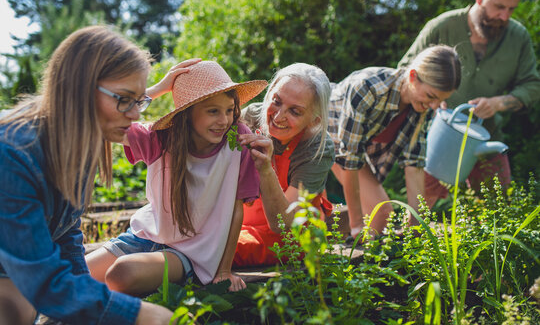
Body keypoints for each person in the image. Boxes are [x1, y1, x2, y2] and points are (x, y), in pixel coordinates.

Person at [0, 26, 176, 324]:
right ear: (78, 89)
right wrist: (138, 314)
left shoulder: (79, 142)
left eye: (139, 100)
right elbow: (44, 283)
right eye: (123, 98)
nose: (135, 114)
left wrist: (84, 303)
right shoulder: (13, 154)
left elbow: (65, 232)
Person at [86, 60, 268, 294]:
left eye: (229, 110)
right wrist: (158, 89)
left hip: (191, 254)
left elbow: (236, 209)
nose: (224, 120)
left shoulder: (238, 139)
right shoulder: (160, 138)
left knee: (122, 274)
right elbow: (98, 119)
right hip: (144, 236)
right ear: (187, 112)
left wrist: (223, 270)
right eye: (213, 111)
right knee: (69, 276)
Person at [398, 0, 540, 204]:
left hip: (485, 137)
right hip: (433, 135)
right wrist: (430, 98)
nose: (504, 16)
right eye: (499, 7)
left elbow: (533, 85)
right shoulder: (442, 27)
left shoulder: (518, 37)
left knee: (498, 207)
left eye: (511, 9)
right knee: (421, 207)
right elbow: (404, 72)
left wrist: (498, 103)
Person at [329, 45, 461, 238]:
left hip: (352, 151)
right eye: (431, 96)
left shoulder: (421, 108)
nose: (433, 106)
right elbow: (350, 158)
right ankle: (357, 257)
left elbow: (414, 166)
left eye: (439, 100)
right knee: (381, 213)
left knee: (382, 218)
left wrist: (416, 229)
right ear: (414, 76)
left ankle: (369, 261)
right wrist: (356, 225)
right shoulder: (368, 88)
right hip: (323, 132)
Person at [233, 63, 335, 267]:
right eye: (276, 102)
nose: (278, 117)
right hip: (239, 225)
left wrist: (265, 170)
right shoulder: (250, 118)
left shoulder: (316, 149)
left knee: (214, 249)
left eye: (295, 112)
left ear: (314, 121)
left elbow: (284, 224)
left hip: (289, 237)